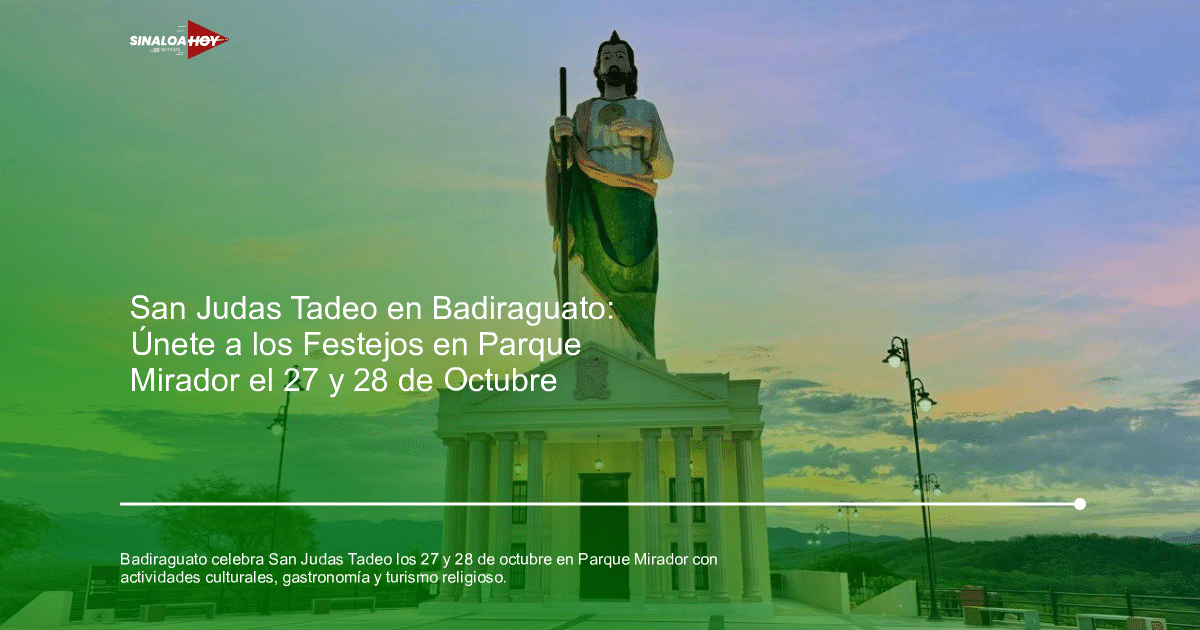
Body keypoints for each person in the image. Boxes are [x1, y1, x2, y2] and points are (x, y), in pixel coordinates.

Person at [547, 31, 673, 359]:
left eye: (620, 57)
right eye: (606, 58)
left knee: (633, 280)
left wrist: (646, 133)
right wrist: (561, 138)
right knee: (581, 269)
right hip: (589, 202)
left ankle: (636, 354)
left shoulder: (644, 108)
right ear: (598, 69)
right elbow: (566, 163)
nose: (613, 63)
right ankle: (587, 349)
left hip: (632, 206)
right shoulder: (584, 111)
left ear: (631, 67)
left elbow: (665, 167)